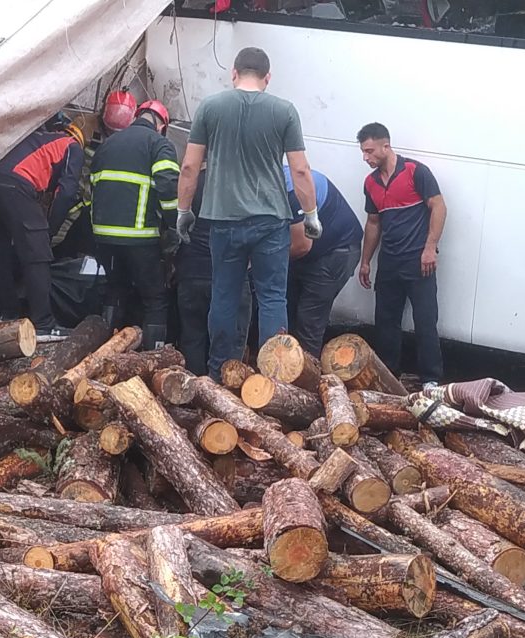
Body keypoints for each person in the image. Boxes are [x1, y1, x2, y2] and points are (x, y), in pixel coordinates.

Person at [176, 46, 319, 381]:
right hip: (270, 221)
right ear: (268, 78)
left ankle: (219, 373)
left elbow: (189, 166)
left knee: (224, 296)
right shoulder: (285, 111)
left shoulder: (210, 107)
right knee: (272, 297)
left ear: (233, 73)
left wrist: (183, 210)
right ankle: (275, 377)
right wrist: (310, 214)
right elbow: (300, 171)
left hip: (223, 221)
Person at [0, 121, 85, 335]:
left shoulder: (32, 140)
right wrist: (49, 230)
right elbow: (67, 192)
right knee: (37, 255)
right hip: (15, 183)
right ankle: (44, 324)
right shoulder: (72, 146)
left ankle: (7, 314)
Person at [356, 122, 446, 388]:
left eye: (370, 151)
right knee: (385, 321)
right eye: (363, 152)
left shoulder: (415, 172)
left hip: (419, 261)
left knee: (425, 320)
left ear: (386, 145)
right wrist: (365, 261)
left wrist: (430, 247)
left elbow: (439, 207)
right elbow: (373, 223)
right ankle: (388, 376)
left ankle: (431, 378)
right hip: (390, 261)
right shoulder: (370, 183)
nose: (366, 158)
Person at [89, 100, 179, 349]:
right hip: (140, 239)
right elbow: (168, 185)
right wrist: (174, 224)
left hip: (104, 238)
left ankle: (103, 352)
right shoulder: (159, 145)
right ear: (161, 125)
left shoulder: (108, 145)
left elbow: (92, 187)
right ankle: (153, 358)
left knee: (115, 291)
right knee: (155, 298)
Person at [174, 168, 252, 375]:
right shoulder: (245, 183)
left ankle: (193, 393)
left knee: (192, 337)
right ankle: (224, 396)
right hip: (229, 276)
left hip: (191, 271)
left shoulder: (192, 180)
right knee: (231, 340)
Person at [283, 166, 364, 358]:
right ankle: (286, 368)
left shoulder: (293, 192)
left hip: (336, 252)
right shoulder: (273, 180)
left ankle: (305, 378)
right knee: (288, 307)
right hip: (310, 253)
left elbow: (302, 246)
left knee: (309, 318)